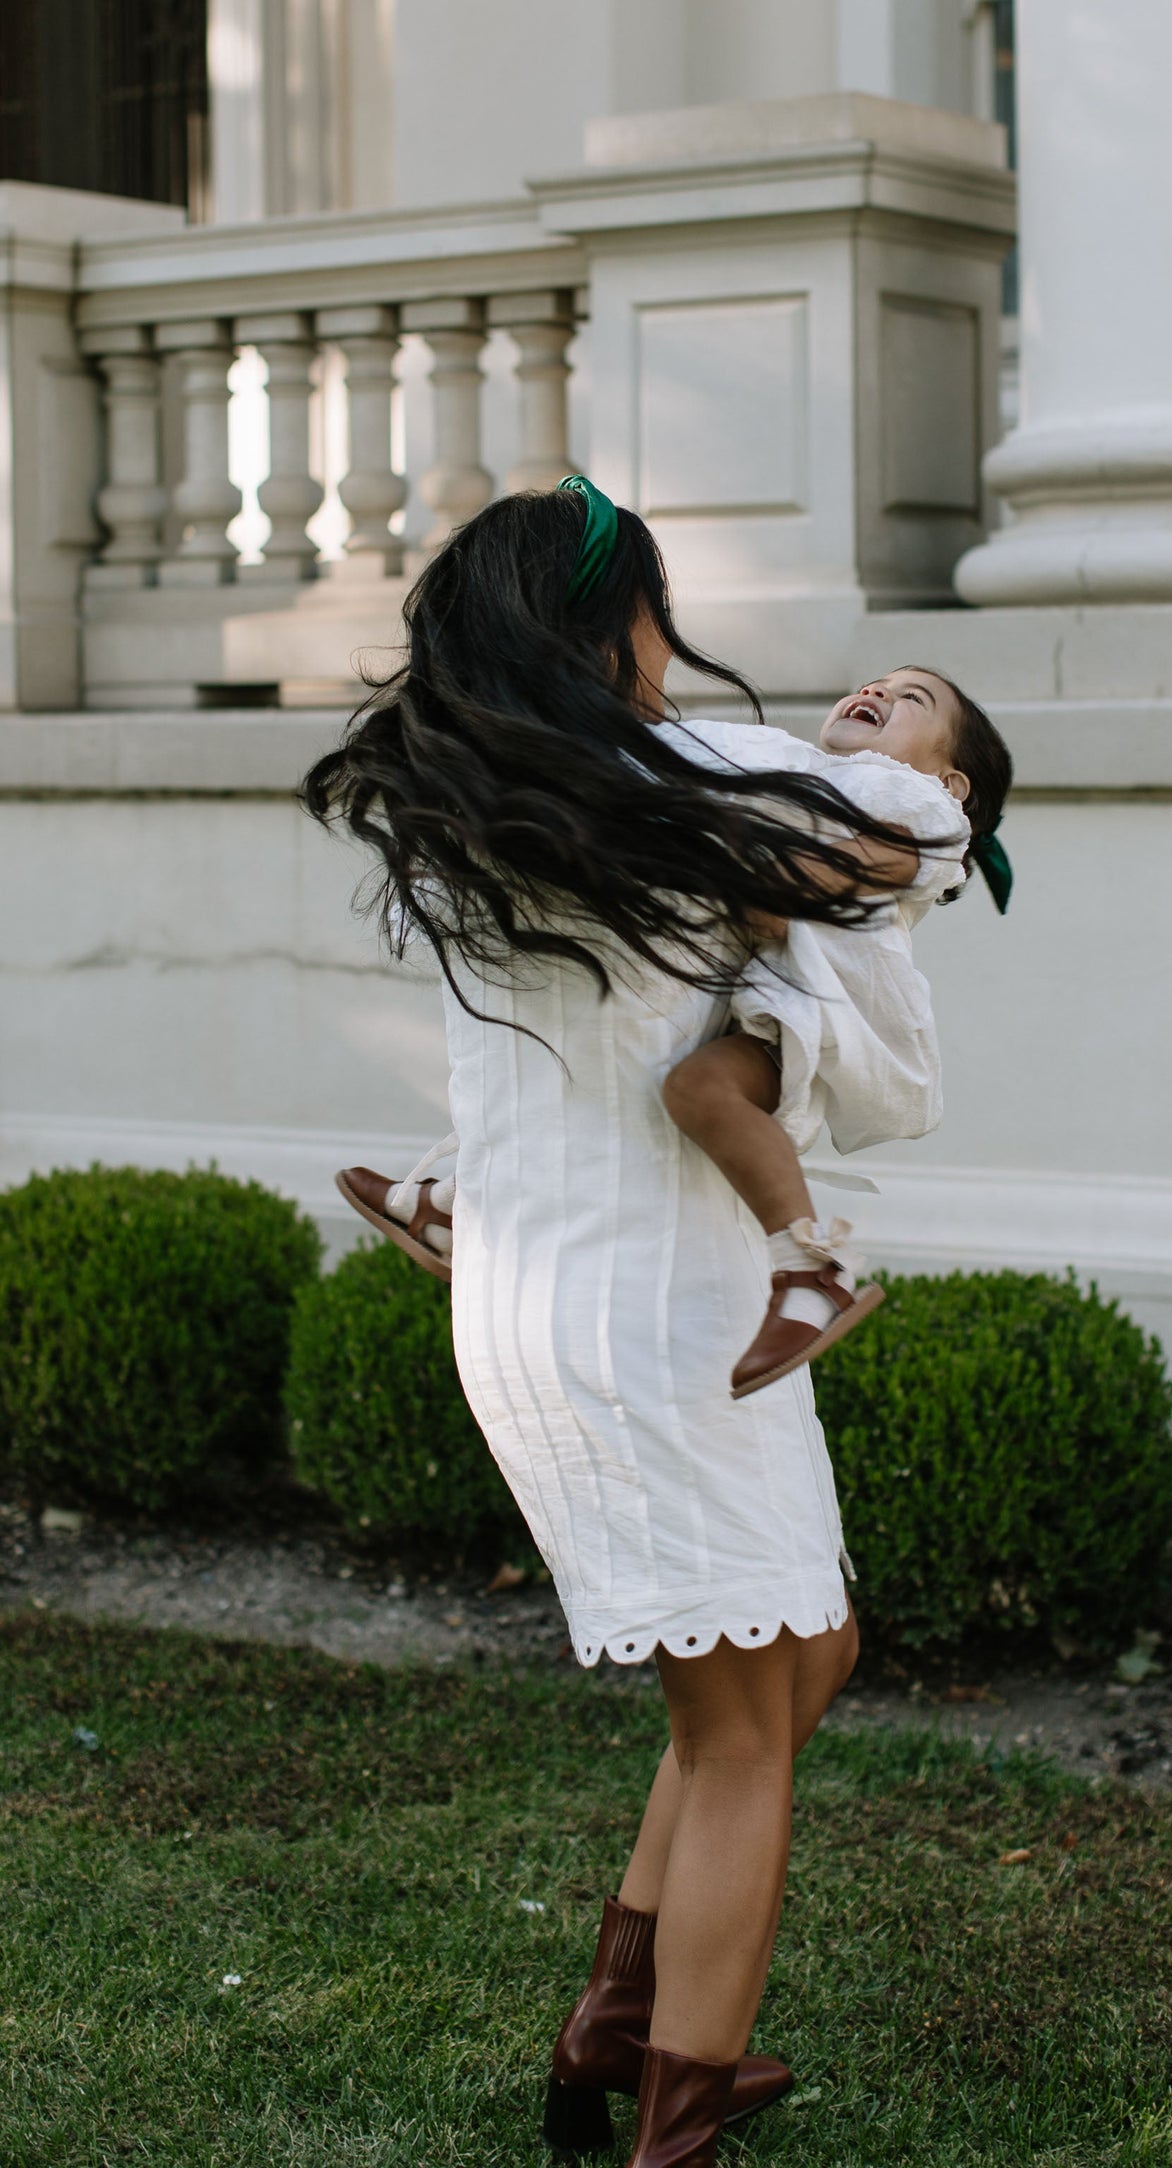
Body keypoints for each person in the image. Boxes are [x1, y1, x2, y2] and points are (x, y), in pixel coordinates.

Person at [304, 476, 993, 2167]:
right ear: (610, 626)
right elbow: (907, 839)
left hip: (563, 1297)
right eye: (652, 614)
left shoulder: (486, 805)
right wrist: (841, 853)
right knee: (741, 1719)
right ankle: (679, 2102)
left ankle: (625, 2005)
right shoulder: (672, 782)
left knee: (804, 1648)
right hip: (661, 1313)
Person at [338, 668, 1013, 1397]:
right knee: (620, 1047)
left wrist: (738, 870)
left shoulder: (920, 809)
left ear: (954, 782)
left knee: (698, 1088)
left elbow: (842, 870)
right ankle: (473, 1202)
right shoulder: (798, 775)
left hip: (815, 1017)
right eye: (873, 682)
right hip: (759, 994)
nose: (877, 692)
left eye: (911, 698)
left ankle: (811, 1269)